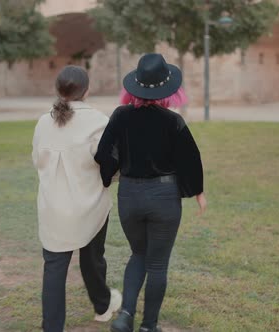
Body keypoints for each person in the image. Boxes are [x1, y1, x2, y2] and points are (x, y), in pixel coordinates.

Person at [94, 54, 207, 332]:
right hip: (164, 199)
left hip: (130, 197)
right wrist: (198, 193)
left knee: (138, 254)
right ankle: (149, 326)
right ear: (169, 90)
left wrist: (107, 178)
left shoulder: (121, 116)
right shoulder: (173, 122)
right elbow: (190, 159)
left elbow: (103, 154)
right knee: (157, 264)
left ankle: (125, 316)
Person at [32, 65, 122, 332]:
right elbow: (111, 164)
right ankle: (103, 305)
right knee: (92, 258)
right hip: (89, 204)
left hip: (53, 207)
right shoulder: (98, 122)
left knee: (54, 268)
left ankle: (52, 327)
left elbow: (38, 160)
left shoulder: (43, 122)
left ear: (58, 90)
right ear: (87, 90)